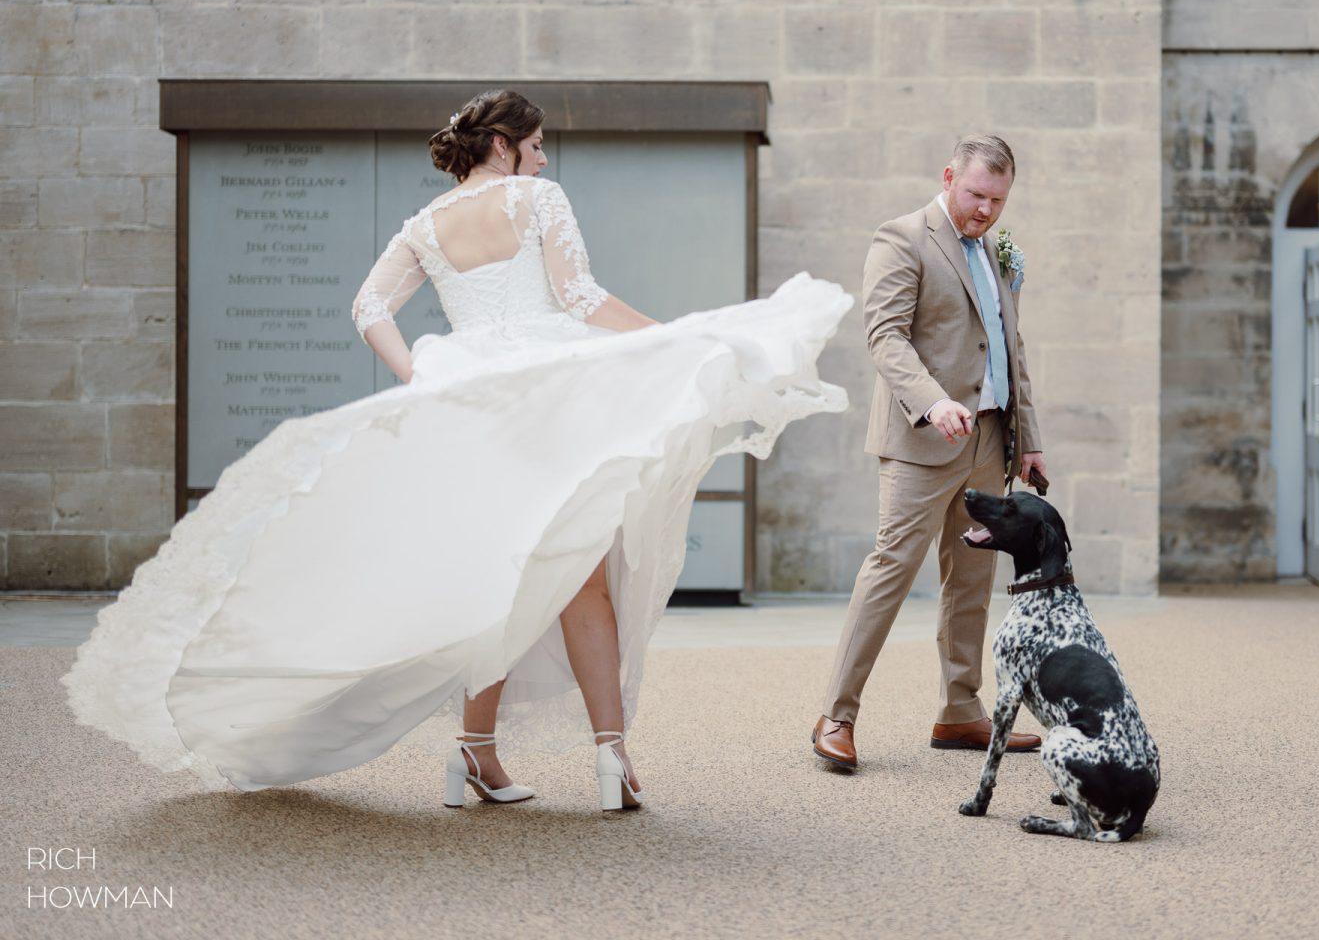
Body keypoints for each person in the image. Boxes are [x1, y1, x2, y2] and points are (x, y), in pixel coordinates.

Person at [64, 89, 851, 811]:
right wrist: (677, 337)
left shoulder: (424, 225)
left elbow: (368, 305)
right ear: (505, 145)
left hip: (472, 403)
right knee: (580, 580)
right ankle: (609, 758)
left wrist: (419, 378)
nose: (544, 160)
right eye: (537, 144)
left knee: (497, 581)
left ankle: (476, 753)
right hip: (545, 396)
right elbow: (578, 298)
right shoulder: (537, 198)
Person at [812, 135, 1047, 770]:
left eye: (998, 200)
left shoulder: (998, 250)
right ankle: (837, 714)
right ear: (948, 177)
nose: (986, 211)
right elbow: (884, 335)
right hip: (922, 439)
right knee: (890, 569)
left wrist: (1029, 440)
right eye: (975, 195)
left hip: (991, 441)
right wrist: (931, 400)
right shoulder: (902, 237)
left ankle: (960, 713)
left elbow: (1009, 347)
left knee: (972, 581)